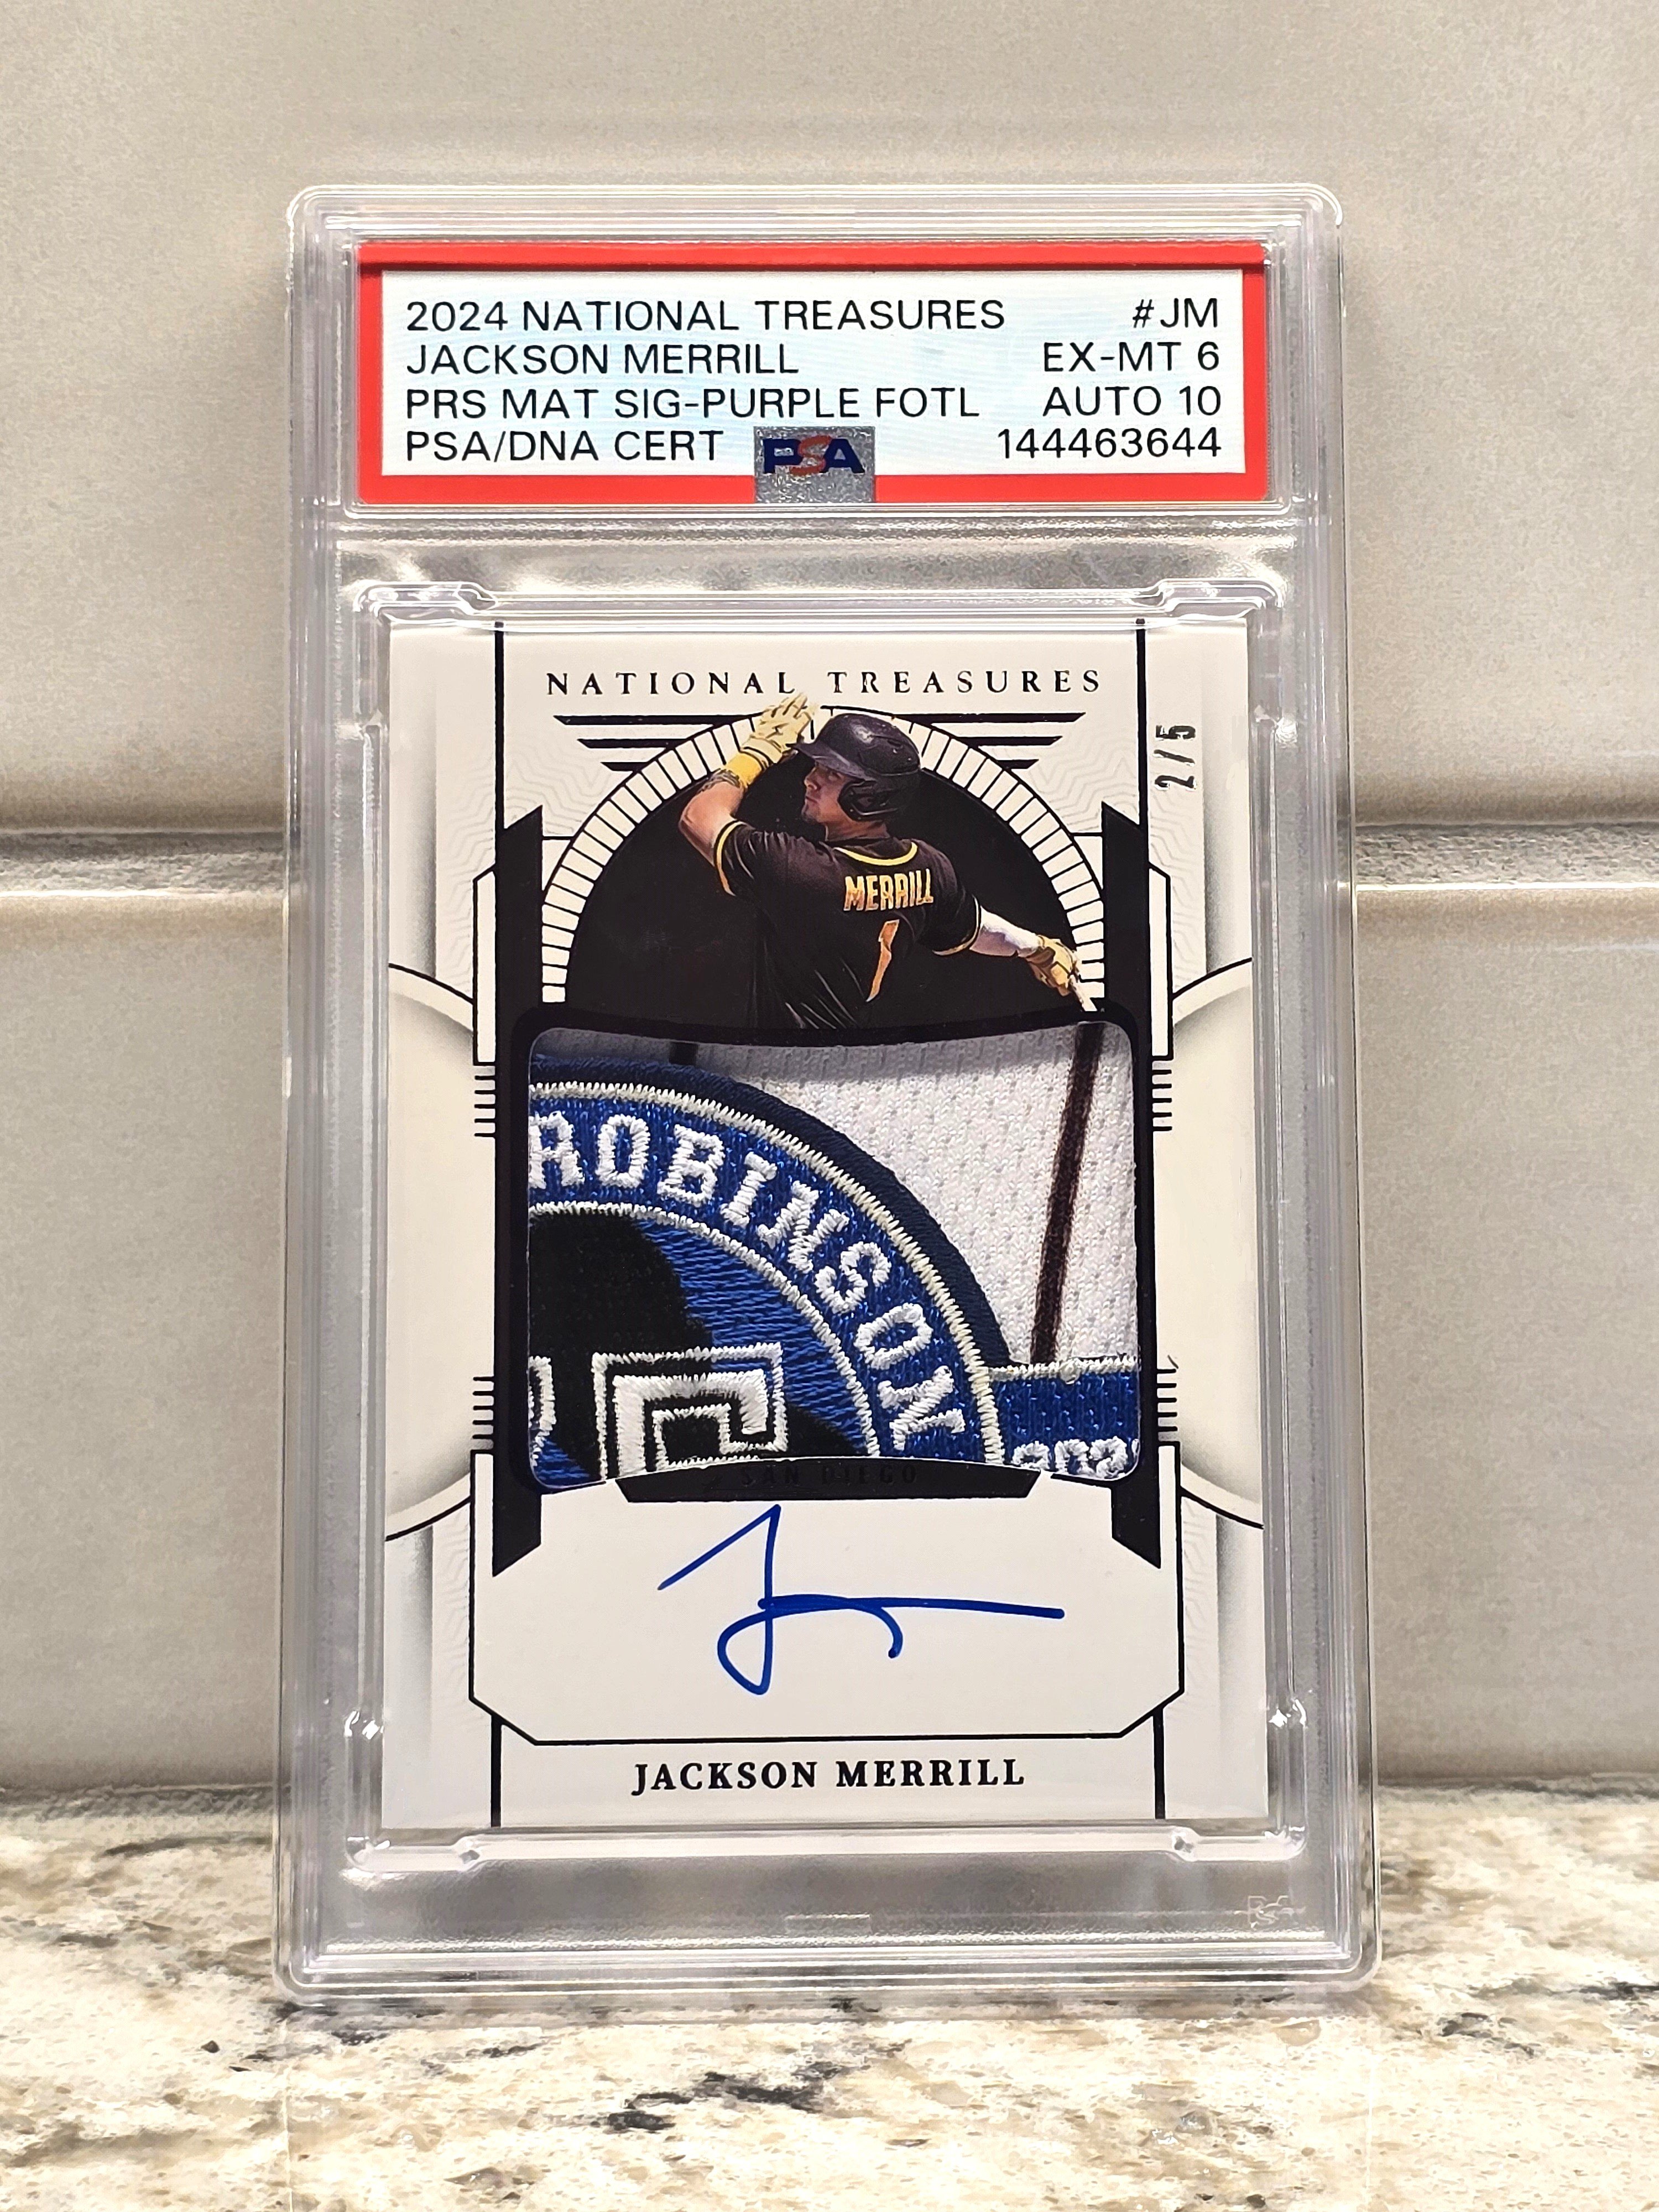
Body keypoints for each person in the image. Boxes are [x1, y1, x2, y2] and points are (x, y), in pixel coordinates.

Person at [679, 697, 1082, 1031]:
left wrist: (754, 755)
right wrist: (1038, 948)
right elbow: (978, 929)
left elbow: (698, 818)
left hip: (790, 1063)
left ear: (870, 795)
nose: (810, 779)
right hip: (855, 1056)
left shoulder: (802, 869)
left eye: (832, 773)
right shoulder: (928, 867)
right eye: (818, 767)